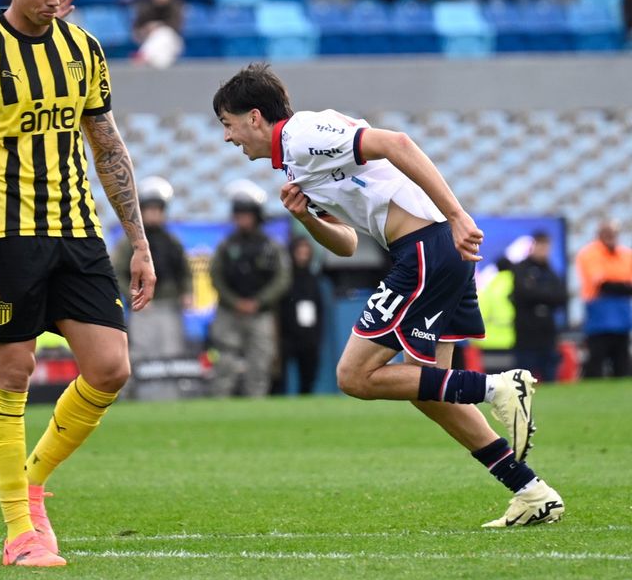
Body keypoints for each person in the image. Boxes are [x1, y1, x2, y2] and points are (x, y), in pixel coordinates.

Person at [213, 62, 564, 528]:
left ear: (254, 117)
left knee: (354, 377)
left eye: (228, 124)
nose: (227, 138)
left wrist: (457, 216)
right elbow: (347, 243)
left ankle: (497, 386)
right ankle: (530, 490)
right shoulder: (297, 160)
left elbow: (396, 142)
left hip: (426, 250)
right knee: (430, 392)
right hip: (436, 253)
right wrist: (306, 218)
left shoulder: (301, 134)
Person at [0, 0, 156, 567]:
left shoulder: (84, 48)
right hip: (8, 239)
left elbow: (108, 147)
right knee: (12, 374)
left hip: (77, 231)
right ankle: (18, 533)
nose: (53, 1)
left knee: (110, 367)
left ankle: (31, 483)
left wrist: (138, 242)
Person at [208, 179, 290, 398]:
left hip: (260, 313)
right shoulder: (226, 246)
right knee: (224, 362)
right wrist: (235, 302)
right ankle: (220, 406)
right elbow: (215, 276)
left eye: (246, 214)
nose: (242, 220)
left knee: (260, 364)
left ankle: (256, 407)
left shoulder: (271, 246)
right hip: (229, 311)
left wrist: (259, 302)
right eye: (239, 215)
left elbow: (282, 278)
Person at [112, 176, 191, 362]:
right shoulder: (129, 243)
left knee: (172, 353)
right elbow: (118, 273)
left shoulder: (172, 242)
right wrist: (135, 296)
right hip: (143, 308)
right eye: (150, 210)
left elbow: (184, 272)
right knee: (141, 355)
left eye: (158, 210)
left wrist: (187, 293)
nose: (154, 214)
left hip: (170, 306)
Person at [575, 220, 632, 378]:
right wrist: (622, 286)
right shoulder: (590, 254)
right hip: (599, 316)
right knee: (596, 360)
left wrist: (618, 285)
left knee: (622, 363)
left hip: (622, 317)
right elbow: (603, 285)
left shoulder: (625, 254)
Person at [512, 231, 567, 383]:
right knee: (523, 378)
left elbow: (561, 297)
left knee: (550, 374)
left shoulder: (552, 272)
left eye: (546, 246)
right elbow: (523, 294)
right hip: (527, 331)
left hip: (547, 331)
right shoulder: (522, 269)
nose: (544, 250)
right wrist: (546, 295)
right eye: (540, 246)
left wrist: (538, 293)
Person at [278, 235, 324, 395]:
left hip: (309, 334)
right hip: (286, 334)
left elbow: (319, 309)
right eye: (299, 251)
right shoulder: (283, 279)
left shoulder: (313, 279)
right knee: (280, 376)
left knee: (308, 374)